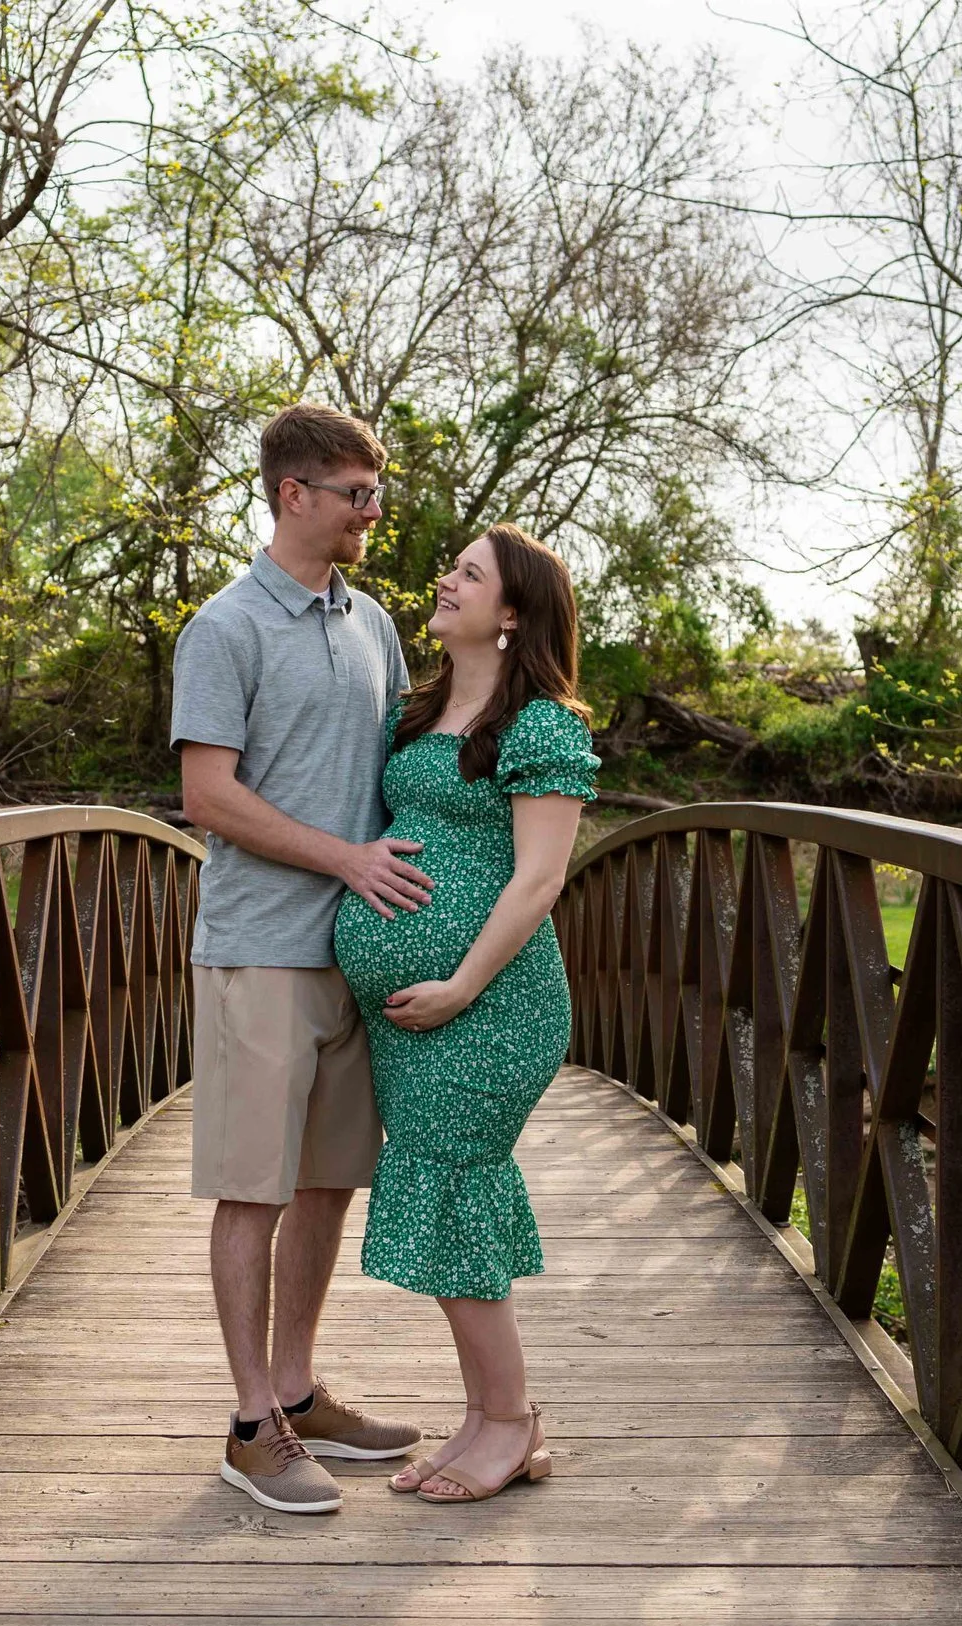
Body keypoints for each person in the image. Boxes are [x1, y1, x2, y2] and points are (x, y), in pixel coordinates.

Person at [171, 404, 431, 1514]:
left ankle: (297, 1388)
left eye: (376, 492)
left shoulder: (372, 622)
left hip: (354, 955)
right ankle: (246, 1424)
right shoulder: (224, 628)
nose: (372, 511)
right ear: (292, 495)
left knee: (327, 1182)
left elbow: (399, 768)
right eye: (354, 493)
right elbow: (207, 795)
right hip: (259, 948)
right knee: (253, 1187)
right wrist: (345, 858)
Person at [333, 524, 599, 1504]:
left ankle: (512, 1417)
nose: (447, 580)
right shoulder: (422, 712)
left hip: (492, 1008)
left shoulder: (541, 728)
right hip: (414, 1016)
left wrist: (459, 983)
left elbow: (537, 880)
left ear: (514, 610)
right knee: (449, 1197)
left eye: (469, 573)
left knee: (450, 1188)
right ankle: (488, 1416)